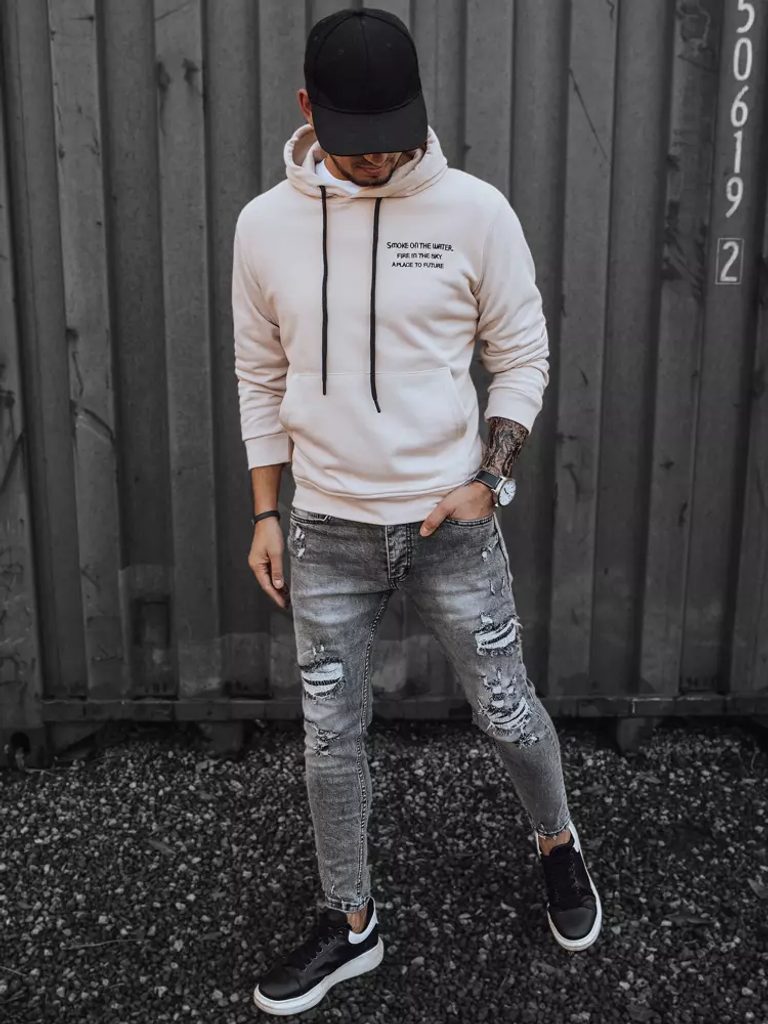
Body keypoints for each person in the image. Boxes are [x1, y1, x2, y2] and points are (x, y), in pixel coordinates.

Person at [233, 8, 602, 1016]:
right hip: (325, 532)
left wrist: (492, 476)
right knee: (329, 736)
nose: (380, 161)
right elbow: (259, 375)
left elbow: (521, 353)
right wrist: (265, 511)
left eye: (396, 139)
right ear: (308, 110)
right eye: (359, 146)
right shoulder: (264, 227)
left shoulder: (475, 212)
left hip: (452, 529)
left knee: (507, 707)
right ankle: (351, 920)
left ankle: (557, 842)